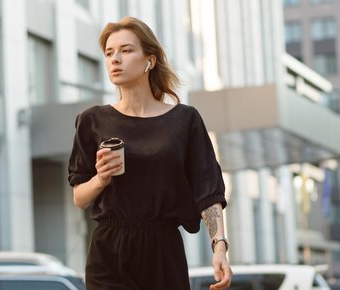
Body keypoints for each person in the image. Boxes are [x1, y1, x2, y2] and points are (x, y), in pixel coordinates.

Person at [68, 17, 232, 290]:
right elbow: (79, 198)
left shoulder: (184, 120)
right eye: (109, 53)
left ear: (150, 61)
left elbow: (209, 191)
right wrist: (101, 179)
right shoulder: (92, 121)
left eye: (126, 50)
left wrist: (219, 247)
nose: (115, 59)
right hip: (109, 252)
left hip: (163, 251)